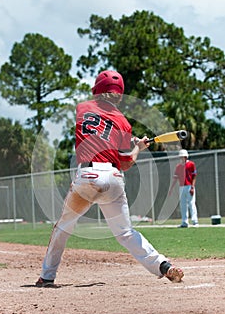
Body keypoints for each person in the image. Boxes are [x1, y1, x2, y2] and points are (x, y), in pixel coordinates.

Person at [35, 70, 184, 287]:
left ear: (97, 90)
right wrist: (137, 148)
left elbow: (100, 130)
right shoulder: (123, 122)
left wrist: (129, 141)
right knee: (125, 233)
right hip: (113, 177)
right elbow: (125, 162)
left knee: (63, 227)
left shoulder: (82, 108)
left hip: (88, 175)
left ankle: (47, 276)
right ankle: (162, 265)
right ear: (120, 94)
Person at [169, 149, 199, 228]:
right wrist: (171, 189)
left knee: (191, 203)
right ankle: (184, 222)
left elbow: (194, 176)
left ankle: (195, 221)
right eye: (180, 157)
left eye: (182, 157)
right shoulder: (178, 166)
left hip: (189, 186)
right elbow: (175, 178)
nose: (181, 158)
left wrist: (192, 187)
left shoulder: (191, 164)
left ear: (186, 157)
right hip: (181, 187)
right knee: (183, 205)